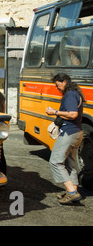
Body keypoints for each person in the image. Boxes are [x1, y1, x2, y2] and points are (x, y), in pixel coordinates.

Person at [45, 73, 84, 205]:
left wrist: (54, 112)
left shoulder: (70, 94)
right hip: (77, 132)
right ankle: (72, 191)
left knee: (55, 162)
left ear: (64, 81)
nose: (57, 88)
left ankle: (72, 192)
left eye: (57, 85)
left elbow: (73, 114)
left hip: (69, 133)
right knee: (70, 164)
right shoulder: (75, 93)